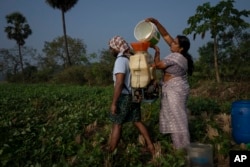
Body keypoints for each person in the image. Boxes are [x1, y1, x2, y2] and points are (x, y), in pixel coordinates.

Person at [145, 18, 194, 150]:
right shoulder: (178, 54)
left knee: (178, 117)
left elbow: (158, 65)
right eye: (173, 42)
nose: (171, 43)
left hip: (176, 90)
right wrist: (156, 23)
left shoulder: (177, 57)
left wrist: (156, 53)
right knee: (173, 116)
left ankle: (183, 148)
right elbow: (165, 35)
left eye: (175, 43)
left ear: (181, 48)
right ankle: (178, 146)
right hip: (172, 89)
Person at [108, 35, 155, 156]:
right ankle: (151, 145)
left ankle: (111, 151)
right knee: (137, 121)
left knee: (117, 123)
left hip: (125, 96)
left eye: (111, 47)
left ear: (116, 47)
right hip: (136, 94)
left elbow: (119, 83)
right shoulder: (131, 58)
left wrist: (114, 103)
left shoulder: (120, 60)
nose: (111, 50)